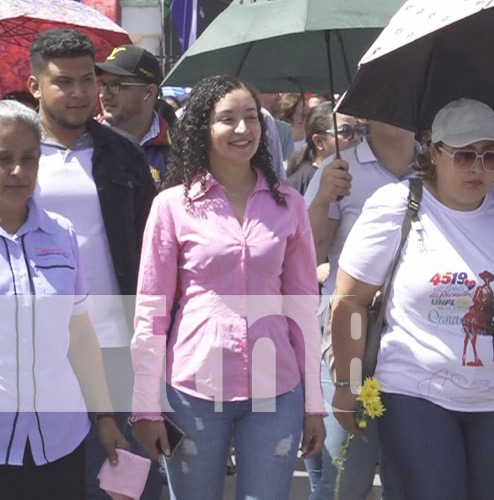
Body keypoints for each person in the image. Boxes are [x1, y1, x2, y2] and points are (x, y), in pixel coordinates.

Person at [330, 98, 494, 500]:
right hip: (413, 393)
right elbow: (349, 300)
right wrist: (347, 383)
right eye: (464, 156)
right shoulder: (396, 205)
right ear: (434, 152)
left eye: (491, 156)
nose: (479, 169)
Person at [129, 75, 325, 500]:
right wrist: (145, 403)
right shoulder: (173, 205)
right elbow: (151, 311)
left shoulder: (287, 204)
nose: (243, 129)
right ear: (203, 128)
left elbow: (304, 307)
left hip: (277, 388)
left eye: (251, 118)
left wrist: (314, 404)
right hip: (193, 388)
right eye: (228, 119)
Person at [26, 29, 158, 500]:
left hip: (113, 346)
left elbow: (151, 250)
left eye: (88, 80)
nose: (80, 92)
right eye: (64, 81)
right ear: (35, 85)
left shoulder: (123, 155)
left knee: (115, 478)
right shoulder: (14, 157)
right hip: (34, 351)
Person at [0, 100, 128, 500]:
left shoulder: (62, 234)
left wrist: (105, 418)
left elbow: (81, 337)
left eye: (29, 158)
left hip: (60, 441)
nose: (18, 171)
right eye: (3, 158)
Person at [302, 115, 418, 500]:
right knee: (345, 481)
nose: (397, 112)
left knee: (409, 480)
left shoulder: (440, 166)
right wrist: (323, 199)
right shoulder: (341, 169)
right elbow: (309, 256)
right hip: (348, 338)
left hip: (418, 343)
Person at [96, 44, 171, 189]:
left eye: (115, 85)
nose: (103, 95)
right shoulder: (86, 141)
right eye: (103, 84)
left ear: (148, 93)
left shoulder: (178, 146)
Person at [286, 102, 363, 196]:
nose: (356, 138)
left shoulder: (363, 176)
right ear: (319, 142)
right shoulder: (297, 185)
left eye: (358, 130)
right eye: (346, 131)